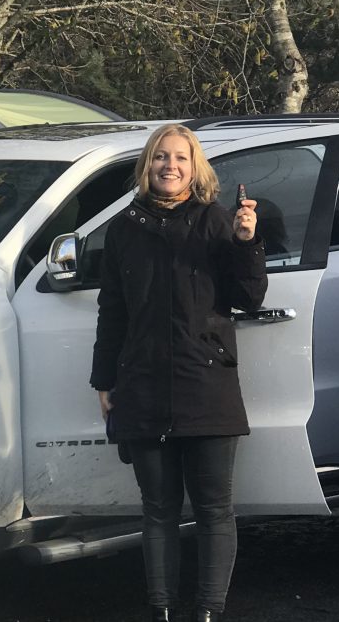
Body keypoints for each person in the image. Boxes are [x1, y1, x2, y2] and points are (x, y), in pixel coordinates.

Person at [90, 124, 266, 622]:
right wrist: (104, 380)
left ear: (196, 167)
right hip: (142, 386)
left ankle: (208, 611)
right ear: (147, 166)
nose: (170, 166)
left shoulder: (215, 222)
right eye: (161, 157)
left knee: (214, 511)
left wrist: (247, 243)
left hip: (205, 384)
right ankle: (161, 610)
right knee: (159, 511)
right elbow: (112, 311)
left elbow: (249, 297)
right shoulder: (124, 227)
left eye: (181, 158)